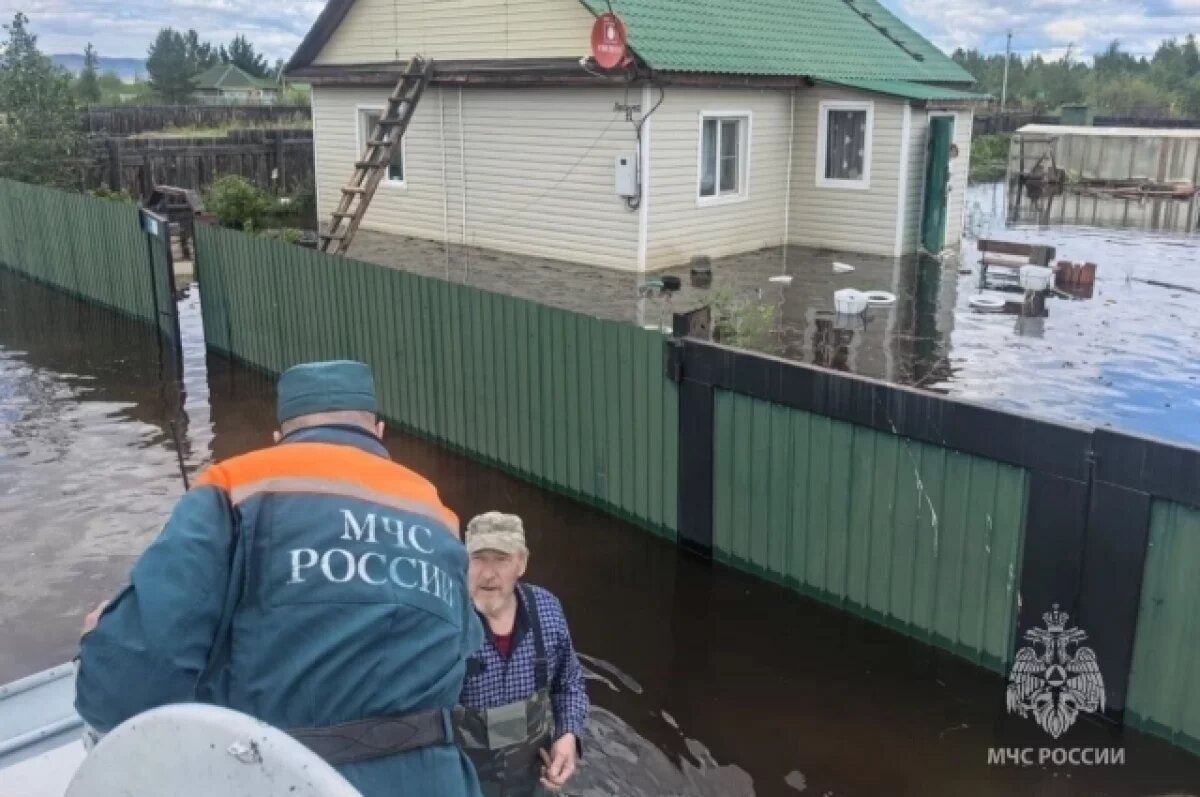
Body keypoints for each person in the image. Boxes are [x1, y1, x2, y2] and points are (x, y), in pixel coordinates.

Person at [75, 360, 485, 797]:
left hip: (282, 779)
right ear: (379, 432)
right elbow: (464, 655)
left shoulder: (234, 483)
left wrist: (103, 642)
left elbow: (127, 691)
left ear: (279, 437)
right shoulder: (438, 516)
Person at [456, 512, 589, 796]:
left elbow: (569, 684)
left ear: (522, 563)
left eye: (501, 559)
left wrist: (567, 735)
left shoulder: (547, 610)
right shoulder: (446, 622)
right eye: (478, 558)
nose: (488, 574)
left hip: (531, 784)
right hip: (462, 785)